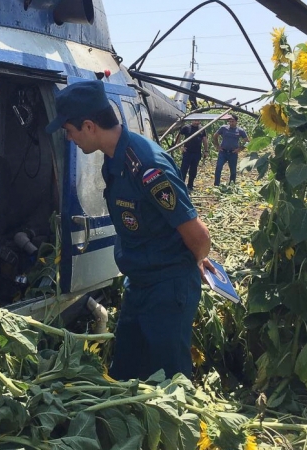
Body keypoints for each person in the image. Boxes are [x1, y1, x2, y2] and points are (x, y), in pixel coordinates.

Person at [45, 80, 214, 381]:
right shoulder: (113, 161)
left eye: (69, 131)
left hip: (167, 290)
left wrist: (196, 261)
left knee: (169, 383)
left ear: (88, 126)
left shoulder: (147, 166)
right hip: (139, 285)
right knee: (126, 374)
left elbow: (198, 236)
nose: (69, 139)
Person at [211, 114, 249, 186]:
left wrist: (240, 149)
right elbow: (215, 136)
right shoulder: (223, 128)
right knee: (218, 168)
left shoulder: (240, 131)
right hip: (223, 152)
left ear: (236, 122)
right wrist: (217, 146)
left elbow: (247, 142)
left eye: (233, 121)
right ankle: (216, 184)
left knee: (233, 171)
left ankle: (231, 185)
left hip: (233, 153)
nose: (231, 123)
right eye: (230, 121)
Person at [174, 119, 208, 191]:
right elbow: (178, 136)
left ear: (200, 121)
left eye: (198, 121)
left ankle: (190, 185)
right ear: (192, 121)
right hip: (187, 152)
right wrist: (180, 147)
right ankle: (181, 185)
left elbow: (204, 139)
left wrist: (206, 150)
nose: (196, 122)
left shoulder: (201, 129)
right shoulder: (186, 127)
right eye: (195, 121)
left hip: (197, 153)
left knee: (193, 170)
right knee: (184, 169)